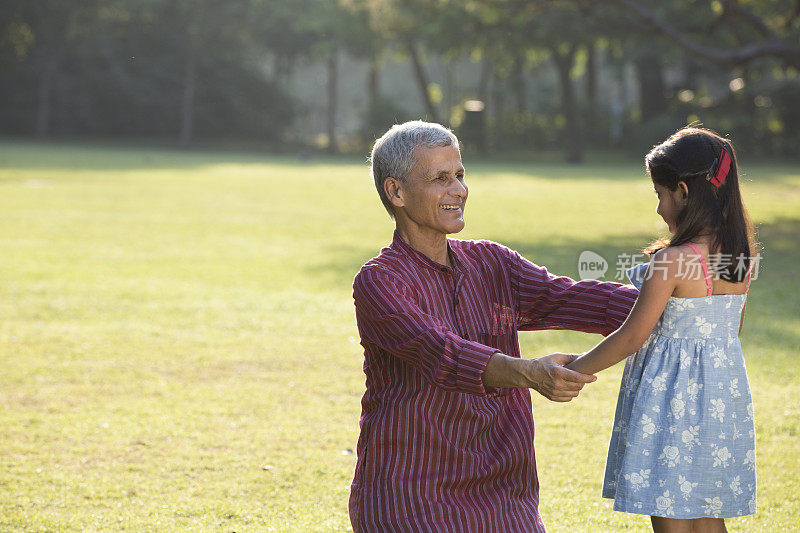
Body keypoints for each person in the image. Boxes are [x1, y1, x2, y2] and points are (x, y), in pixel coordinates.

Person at [349, 120, 639, 531]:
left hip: (505, 493)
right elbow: (444, 354)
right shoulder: (380, 281)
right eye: (440, 178)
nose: (459, 190)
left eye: (461, 175)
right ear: (396, 191)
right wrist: (530, 374)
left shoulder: (493, 262)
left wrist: (678, 296)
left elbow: (575, 299)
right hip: (411, 493)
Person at [562, 127, 759, 532]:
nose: (658, 208)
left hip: (670, 401)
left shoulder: (672, 261)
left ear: (684, 192)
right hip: (721, 397)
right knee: (707, 514)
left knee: (669, 510)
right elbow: (730, 330)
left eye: (661, 194)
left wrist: (575, 369)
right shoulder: (739, 256)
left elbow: (633, 336)